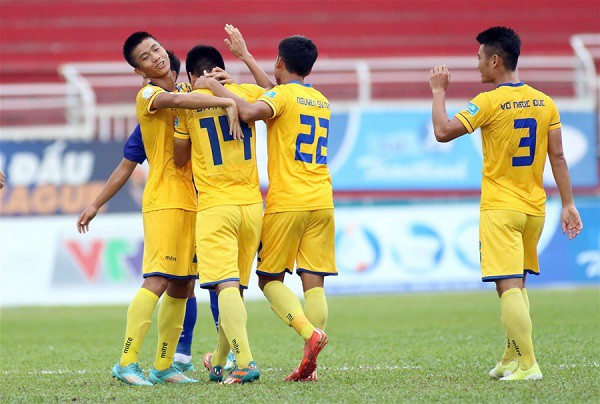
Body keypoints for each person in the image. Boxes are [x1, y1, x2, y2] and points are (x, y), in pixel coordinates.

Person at [78, 31, 241, 386]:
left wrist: (227, 88)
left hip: (195, 200)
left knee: (183, 286)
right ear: (140, 70)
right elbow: (136, 157)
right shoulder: (150, 96)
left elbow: (189, 106)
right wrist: (95, 204)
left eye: (155, 49)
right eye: (146, 57)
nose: (155, 57)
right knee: (158, 279)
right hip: (164, 199)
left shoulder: (187, 93)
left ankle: (164, 365)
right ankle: (125, 361)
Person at [429, 26, 583, 381]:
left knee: (508, 286)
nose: (478, 65)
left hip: (501, 208)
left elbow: (442, 132)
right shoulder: (545, 101)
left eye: (480, 58)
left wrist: (439, 92)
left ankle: (528, 365)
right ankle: (511, 358)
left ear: (495, 60)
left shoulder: (488, 101)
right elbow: (558, 157)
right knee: (518, 283)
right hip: (534, 209)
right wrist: (569, 204)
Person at [198, 26, 336, 382]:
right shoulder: (319, 99)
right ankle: (312, 367)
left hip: (288, 200)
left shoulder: (282, 97)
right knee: (314, 281)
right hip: (323, 199)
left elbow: (248, 111)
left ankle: (309, 333)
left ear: (278, 61)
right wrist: (244, 58)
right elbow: (276, 93)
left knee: (269, 278)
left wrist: (216, 88)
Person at [173, 43, 266, 384]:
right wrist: (232, 82)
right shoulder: (244, 93)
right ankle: (221, 358)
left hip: (215, 205)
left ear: (191, 76)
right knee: (236, 288)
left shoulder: (188, 105)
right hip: (252, 205)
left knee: (224, 285)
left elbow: (180, 158)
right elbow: (277, 97)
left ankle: (244, 362)